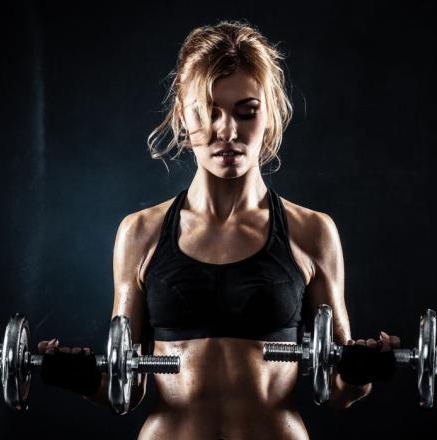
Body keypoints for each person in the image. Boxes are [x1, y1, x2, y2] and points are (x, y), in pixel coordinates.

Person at [39, 20, 400, 439]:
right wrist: (75, 376)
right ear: (181, 113)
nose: (226, 131)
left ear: (271, 114)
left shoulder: (312, 233)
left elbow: (338, 390)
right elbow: (126, 387)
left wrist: (363, 372)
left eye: (246, 112)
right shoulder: (140, 234)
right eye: (208, 111)